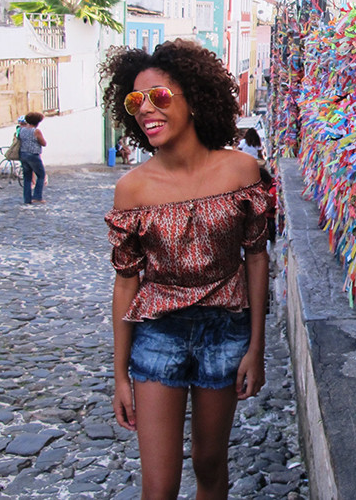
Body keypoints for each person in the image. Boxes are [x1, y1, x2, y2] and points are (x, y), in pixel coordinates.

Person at [100, 39, 269, 500]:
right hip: (158, 334)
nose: (146, 109)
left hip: (225, 332)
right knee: (159, 488)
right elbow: (126, 283)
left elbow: (256, 259)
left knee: (209, 465)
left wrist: (256, 348)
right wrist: (120, 375)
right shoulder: (132, 190)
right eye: (135, 101)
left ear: (193, 99)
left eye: (159, 96)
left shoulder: (241, 172)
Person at [18, 112, 47, 205]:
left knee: (27, 178)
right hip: (33, 155)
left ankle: (27, 199)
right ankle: (37, 197)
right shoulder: (36, 131)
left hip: (23, 154)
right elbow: (43, 143)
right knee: (41, 175)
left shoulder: (22, 130)